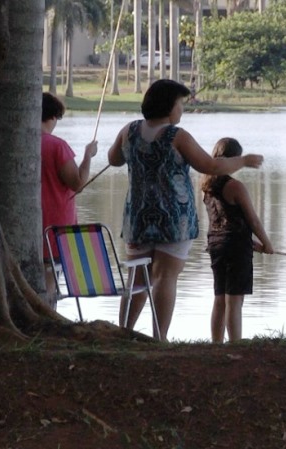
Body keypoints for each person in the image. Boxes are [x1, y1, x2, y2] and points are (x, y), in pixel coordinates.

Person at [107, 79, 264, 341]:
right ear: (169, 107)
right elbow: (211, 166)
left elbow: (113, 159)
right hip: (173, 218)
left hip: (138, 216)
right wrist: (243, 161)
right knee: (165, 276)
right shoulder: (177, 136)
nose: (181, 110)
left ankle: (124, 332)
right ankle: (159, 337)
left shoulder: (129, 130)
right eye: (180, 104)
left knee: (137, 278)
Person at [201, 138, 274, 343]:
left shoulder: (206, 187)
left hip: (216, 244)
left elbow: (222, 222)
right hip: (235, 248)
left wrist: (250, 243)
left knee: (219, 298)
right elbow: (253, 220)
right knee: (234, 300)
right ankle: (235, 344)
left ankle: (216, 343)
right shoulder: (235, 186)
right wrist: (267, 243)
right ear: (234, 158)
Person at [41, 92, 99, 305]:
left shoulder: (20, 142)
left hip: (29, 227)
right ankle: (47, 321)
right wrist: (87, 156)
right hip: (56, 228)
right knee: (50, 279)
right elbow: (78, 183)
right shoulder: (57, 146)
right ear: (53, 117)